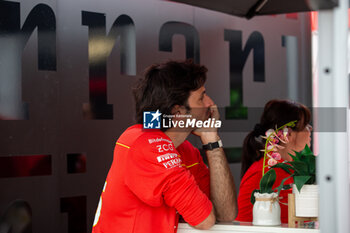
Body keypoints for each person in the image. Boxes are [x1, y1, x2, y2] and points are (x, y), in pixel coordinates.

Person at [92, 60, 237, 233]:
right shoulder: (143, 142)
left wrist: (211, 140)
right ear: (178, 112)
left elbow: (226, 214)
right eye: (201, 98)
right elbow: (204, 219)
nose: (210, 103)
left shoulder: (186, 151)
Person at [235, 99, 312, 223]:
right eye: (305, 125)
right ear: (289, 134)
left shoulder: (286, 168)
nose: (311, 129)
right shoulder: (265, 173)